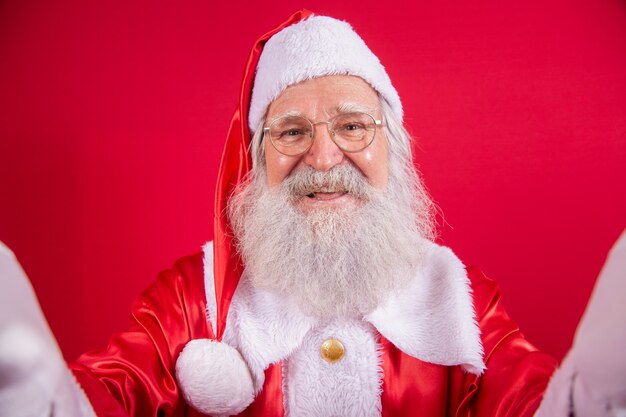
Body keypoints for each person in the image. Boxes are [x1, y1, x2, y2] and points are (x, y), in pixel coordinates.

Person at [1, 10, 624, 417]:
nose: (324, 155)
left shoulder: (458, 297)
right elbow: (111, 393)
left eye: (353, 126)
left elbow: (533, 401)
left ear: (394, 146)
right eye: (291, 132)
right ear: (258, 158)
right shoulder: (194, 298)